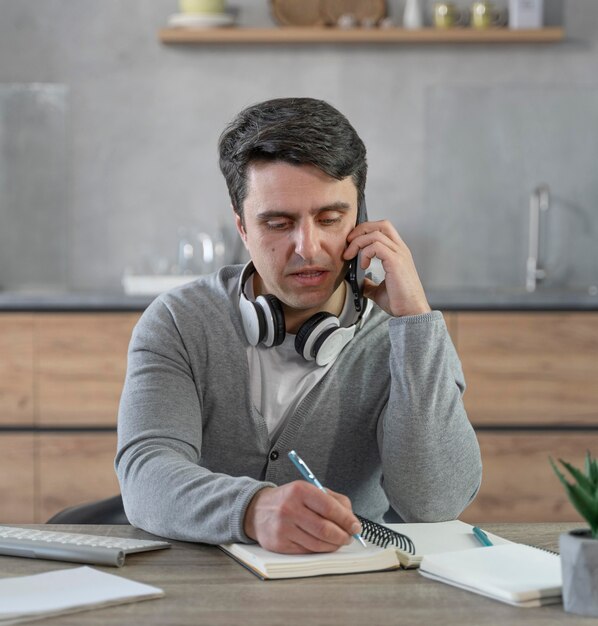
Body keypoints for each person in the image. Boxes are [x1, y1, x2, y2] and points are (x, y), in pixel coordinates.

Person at [116, 97, 482, 555]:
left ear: (361, 220)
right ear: (242, 228)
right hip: (204, 589)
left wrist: (414, 322)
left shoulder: (406, 334)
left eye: (330, 219)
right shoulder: (179, 322)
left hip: (352, 591)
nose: (308, 247)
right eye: (277, 222)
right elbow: (146, 473)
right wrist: (254, 509)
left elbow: (435, 501)